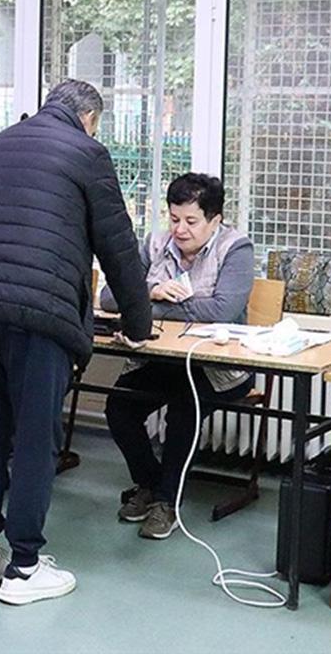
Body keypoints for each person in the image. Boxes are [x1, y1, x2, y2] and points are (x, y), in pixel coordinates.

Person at [0, 80, 152, 605]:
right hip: (38, 315)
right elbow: (119, 247)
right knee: (36, 440)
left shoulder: (0, 142)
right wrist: (139, 322)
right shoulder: (87, 151)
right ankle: (25, 569)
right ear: (88, 118)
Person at [100, 173, 255, 540]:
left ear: (214, 220)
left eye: (191, 221)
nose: (180, 230)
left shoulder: (236, 249)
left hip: (218, 369)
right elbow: (108, 298)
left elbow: (222, 310)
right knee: (119, 406)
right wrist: (152, 290)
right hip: (161, 361)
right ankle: (150, 484)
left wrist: (146, 307)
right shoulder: (155, 244)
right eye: (174, 219)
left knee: (184, 405)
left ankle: (168, 502)